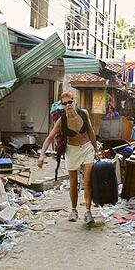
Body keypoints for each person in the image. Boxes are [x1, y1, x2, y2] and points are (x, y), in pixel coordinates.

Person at [38, 91, 99, 224]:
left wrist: (96, 150)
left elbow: (91, 131)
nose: (68, 105)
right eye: (65, 103)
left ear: (74, 101)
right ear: (62, 106)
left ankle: (88, 212)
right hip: (72, 151)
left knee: (87, 181)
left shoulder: (84, 113)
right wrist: (41, 155)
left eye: (70, 102)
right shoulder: (62, 120)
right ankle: (74, 209)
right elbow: (49, 138)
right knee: (73, 182)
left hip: (87, 147)